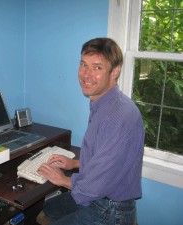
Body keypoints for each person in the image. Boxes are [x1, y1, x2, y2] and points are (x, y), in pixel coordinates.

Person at [37, 37, 145, 225]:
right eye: (83, 65)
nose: (86, 74)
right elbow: (106, 157)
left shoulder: (117, 117)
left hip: (110, 210)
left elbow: (97, 184)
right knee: (49, 208)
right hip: (100, 197)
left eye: (97, 67)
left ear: (115, 72)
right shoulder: (105, 103)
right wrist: (75, 163)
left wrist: (62, 180)